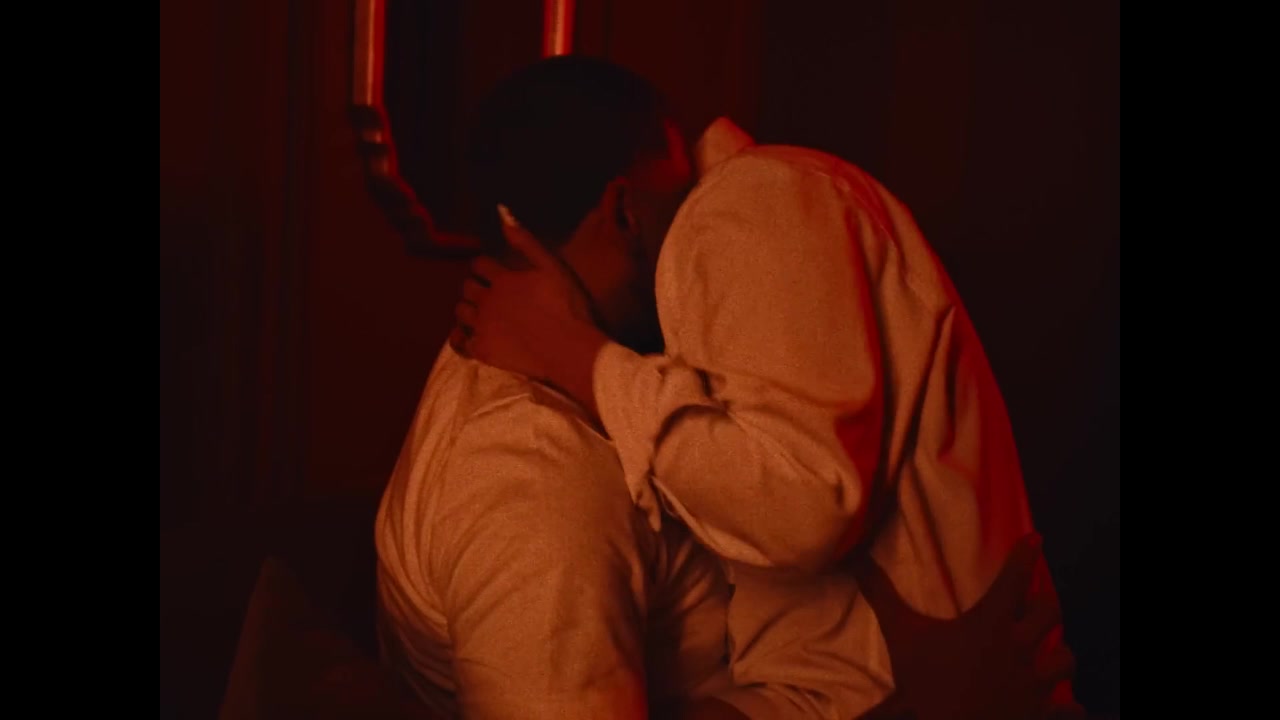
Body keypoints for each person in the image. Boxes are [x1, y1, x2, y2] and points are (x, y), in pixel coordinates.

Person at [454, 55, 1082, 719]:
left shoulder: (749, 199)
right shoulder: (742, 245)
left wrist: (572, 353)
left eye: (570, 298)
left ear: (623, 212)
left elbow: (804, 500)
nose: (584, 321)